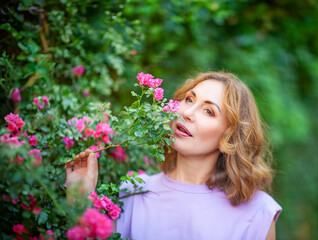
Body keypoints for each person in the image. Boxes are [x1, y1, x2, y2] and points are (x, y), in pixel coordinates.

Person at [66, 71, 282, 240]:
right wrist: (79, 197)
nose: (186, 113)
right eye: (189, 99)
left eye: (208, 111)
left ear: (230, 138)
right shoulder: (133, 193)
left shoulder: (258, 214)